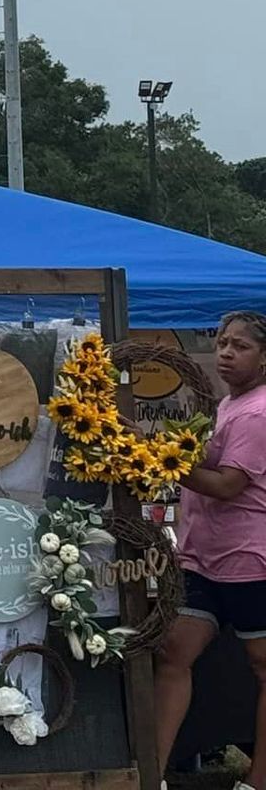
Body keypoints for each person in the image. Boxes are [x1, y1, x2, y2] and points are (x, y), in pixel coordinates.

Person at [156, 310, 266, 783]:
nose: (225, 351)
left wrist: (165, 461)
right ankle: (151, 771)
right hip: (200, 558)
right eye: (222, 342)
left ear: (265, 358)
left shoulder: (258, 412)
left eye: (240, 346)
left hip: (248, 562)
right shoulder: (227, 405)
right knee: (173, 655)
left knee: (264, 670)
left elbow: (226, 485)